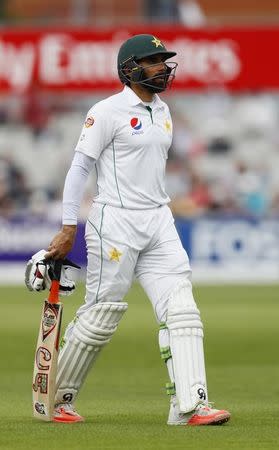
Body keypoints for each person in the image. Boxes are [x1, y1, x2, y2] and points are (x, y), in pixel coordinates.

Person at [44, 34, 231, 425]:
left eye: (164, 60)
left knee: (182, 312)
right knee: (102, 314)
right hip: (115, 222)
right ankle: (58, 399)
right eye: (153, 60)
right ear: (130, 69)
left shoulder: (163, 110)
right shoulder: (106, 111)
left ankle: (191, 406)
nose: (163, 67)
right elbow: (79, 169)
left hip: (159, 221)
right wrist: (67, 227)